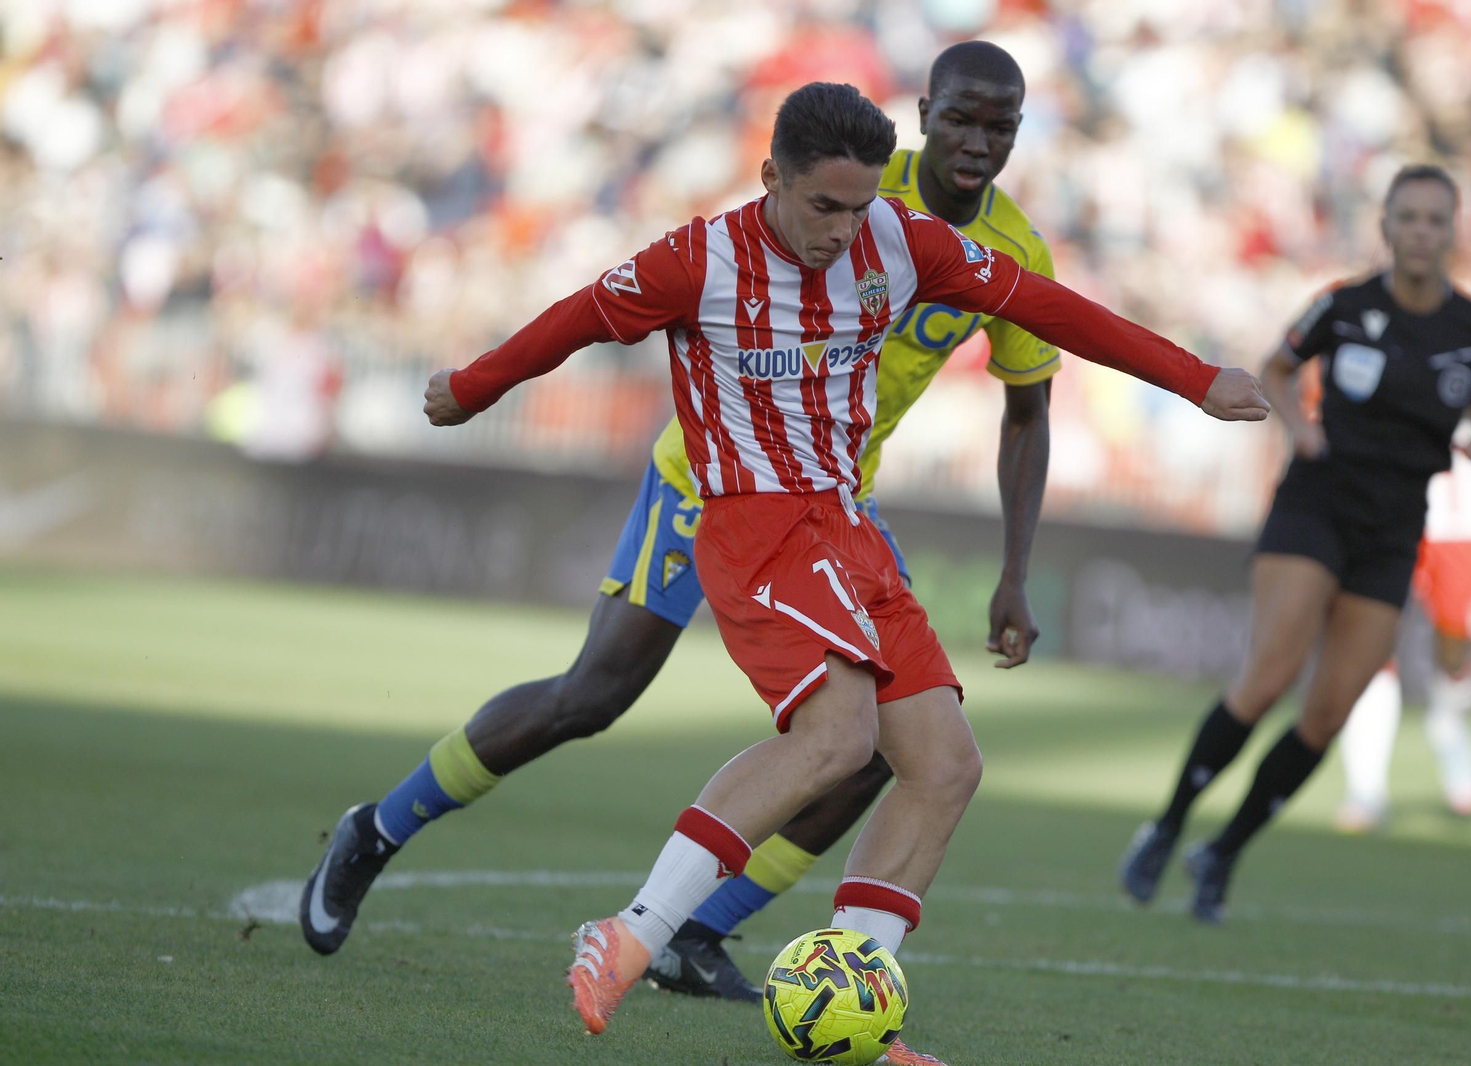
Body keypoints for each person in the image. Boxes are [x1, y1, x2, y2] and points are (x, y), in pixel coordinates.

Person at [419, 81, 1265, 1045]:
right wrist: (473, 388)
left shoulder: (902, 241)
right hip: (753, 525)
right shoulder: (697, 260)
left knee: (945, 766)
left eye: (859, 207)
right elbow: (575, 318)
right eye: (823, 206)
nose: (841, 231)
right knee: (838, 739)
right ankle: (630, 934)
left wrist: (1197, 380)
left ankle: (854, 1002)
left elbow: (1051, 307)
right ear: (771, 175)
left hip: (847, 525)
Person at [299, 41, 1057, 1010]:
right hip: (708, 480)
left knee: (885, 742)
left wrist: (1015, 572)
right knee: (593, 695)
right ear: (923, 113)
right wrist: (482, 380)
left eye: (1000, 126)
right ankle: (379, 827)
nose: (976, 141)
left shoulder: (1014, 254)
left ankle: (695, 929)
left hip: (833, 503)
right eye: (959, 118)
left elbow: (1028, 414)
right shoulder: (858, 186)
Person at [1118, 164, 1471, 923]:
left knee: (1328, 715)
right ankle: (1165, 828)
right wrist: (1301, 428)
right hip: (1316, 506)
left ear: (1453, 231)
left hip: (1395, 530)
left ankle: (1222, 851)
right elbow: (1276, 367)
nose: (1422, 231)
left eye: (1436, 219)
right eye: (1409, 217)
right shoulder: (1344, 304)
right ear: (1386, 228)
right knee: (1268, 679)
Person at [1336, 295, 1471, 830]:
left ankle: (1448, 726)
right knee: (1370, 636)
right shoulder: (1365, 304)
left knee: (1455, 646)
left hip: (1461, 508)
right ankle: (1365, 788)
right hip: (1384, 498)